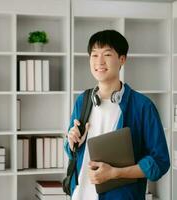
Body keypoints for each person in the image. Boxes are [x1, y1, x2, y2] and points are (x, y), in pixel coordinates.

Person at [64, 29, 170, 200]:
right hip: (80, 195)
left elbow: (160, 162)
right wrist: (72, 142)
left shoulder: (143, 106)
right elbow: (72, 153)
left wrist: (115, 173)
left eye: (107, 54)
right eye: (94, 55)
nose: (99, 61)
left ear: (122, 59)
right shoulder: (83, 101)